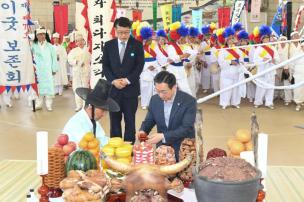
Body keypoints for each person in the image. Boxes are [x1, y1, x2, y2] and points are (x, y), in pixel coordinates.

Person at [102, 17, 144, 143]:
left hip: (130, 90)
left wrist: (127, 80)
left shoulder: (136, 45)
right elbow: (105, 66)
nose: (124, 35)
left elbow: (139, 66)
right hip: (114, 91)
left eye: (126, 32)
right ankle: (116, 146)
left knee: (130, 120)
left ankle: (128, 148)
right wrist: (113, 81)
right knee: (114, 121)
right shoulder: (109, 46)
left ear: (130, 30)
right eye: (120, 32)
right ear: (115, 30)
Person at [137, 71, 197, 160]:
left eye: (163, 92)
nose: (160, 95)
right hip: (163, 150)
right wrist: (143, 131)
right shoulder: (155, 100)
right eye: (157, 91)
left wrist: (163, 136)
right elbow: (149, 121)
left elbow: (186, 128)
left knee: (182, 173)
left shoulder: (189, 101)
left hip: (183, 147)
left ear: (174, 87)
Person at [62, 79, 120, 145]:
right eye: (102, 110)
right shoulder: (78, 124)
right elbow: (85, 149)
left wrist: (119, 144)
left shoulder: (92, 120)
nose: (103, 114)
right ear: (90, 107)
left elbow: (101, 138)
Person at [31, 27, 58, 111]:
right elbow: (29, 56)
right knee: (39, 87)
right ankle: (39, 104)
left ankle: (49, 104)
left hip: (48, 70)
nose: (41, 36)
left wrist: (54, 69)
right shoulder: (34, 46)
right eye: (39, 34)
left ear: (45, 35)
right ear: (37, 36)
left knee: (49, 87)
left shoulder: (50, 46)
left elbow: (54, 58)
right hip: (38, 71)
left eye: (43, 34)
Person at [253, 25, 280, 109]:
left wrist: (274, 60)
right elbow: (255, 60)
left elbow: (278, 59)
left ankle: (269, 102)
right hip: (262, 70)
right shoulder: (259, 49)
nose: (266, 39)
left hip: (271, 70)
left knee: (270, 87)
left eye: (268, 38)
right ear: (262, 39)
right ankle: (258, 102)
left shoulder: (273, 48)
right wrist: (262, 60)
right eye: (265, 38)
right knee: (260, 87)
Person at [218, 27, 244, 109]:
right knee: (226, 88)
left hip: (236, 71)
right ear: (226, 40)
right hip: (226, 73)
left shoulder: (237, 50)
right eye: (229, 39)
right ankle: (224, 103)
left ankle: (235, 102)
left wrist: (239, 62)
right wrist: (230, 62)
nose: (231, 40)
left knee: (236, 88)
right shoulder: (223, 50)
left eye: (232, 38)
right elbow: (221, 62)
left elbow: (241, 59)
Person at [137, 23, 161, 110]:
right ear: (145, 39)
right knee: (145, 86)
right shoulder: (139, 47)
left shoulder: (155, 45)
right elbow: (137, 60)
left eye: (151, 38)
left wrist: (157, 66)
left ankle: (155, 103)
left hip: (154, 66)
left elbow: (159, 57)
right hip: (145, 68)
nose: (151, 40)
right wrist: (147, 67)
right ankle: (145, 103)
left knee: (155, 86)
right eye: (149, 39)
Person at [68, 33, 91, 112]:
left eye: (82, 40)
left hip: (85, 72)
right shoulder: (73, 51)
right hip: (77, 72)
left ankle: (85, 105)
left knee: (85, 87)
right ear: (76, 42)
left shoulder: (88, 50)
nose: (80, 42)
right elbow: (69, 60)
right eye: (78, 41)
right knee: (77, 88)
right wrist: (76, 61)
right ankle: (78, 105)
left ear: (84, 41)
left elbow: (91, 59)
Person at [291, 40, 304, 111]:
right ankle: (298, 104)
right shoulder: (297, 54)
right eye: (303, 46)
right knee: (298, 90)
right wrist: (294, 72)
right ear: (301, 47)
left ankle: (302, 101)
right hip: (299, 75)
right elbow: (292, 64)